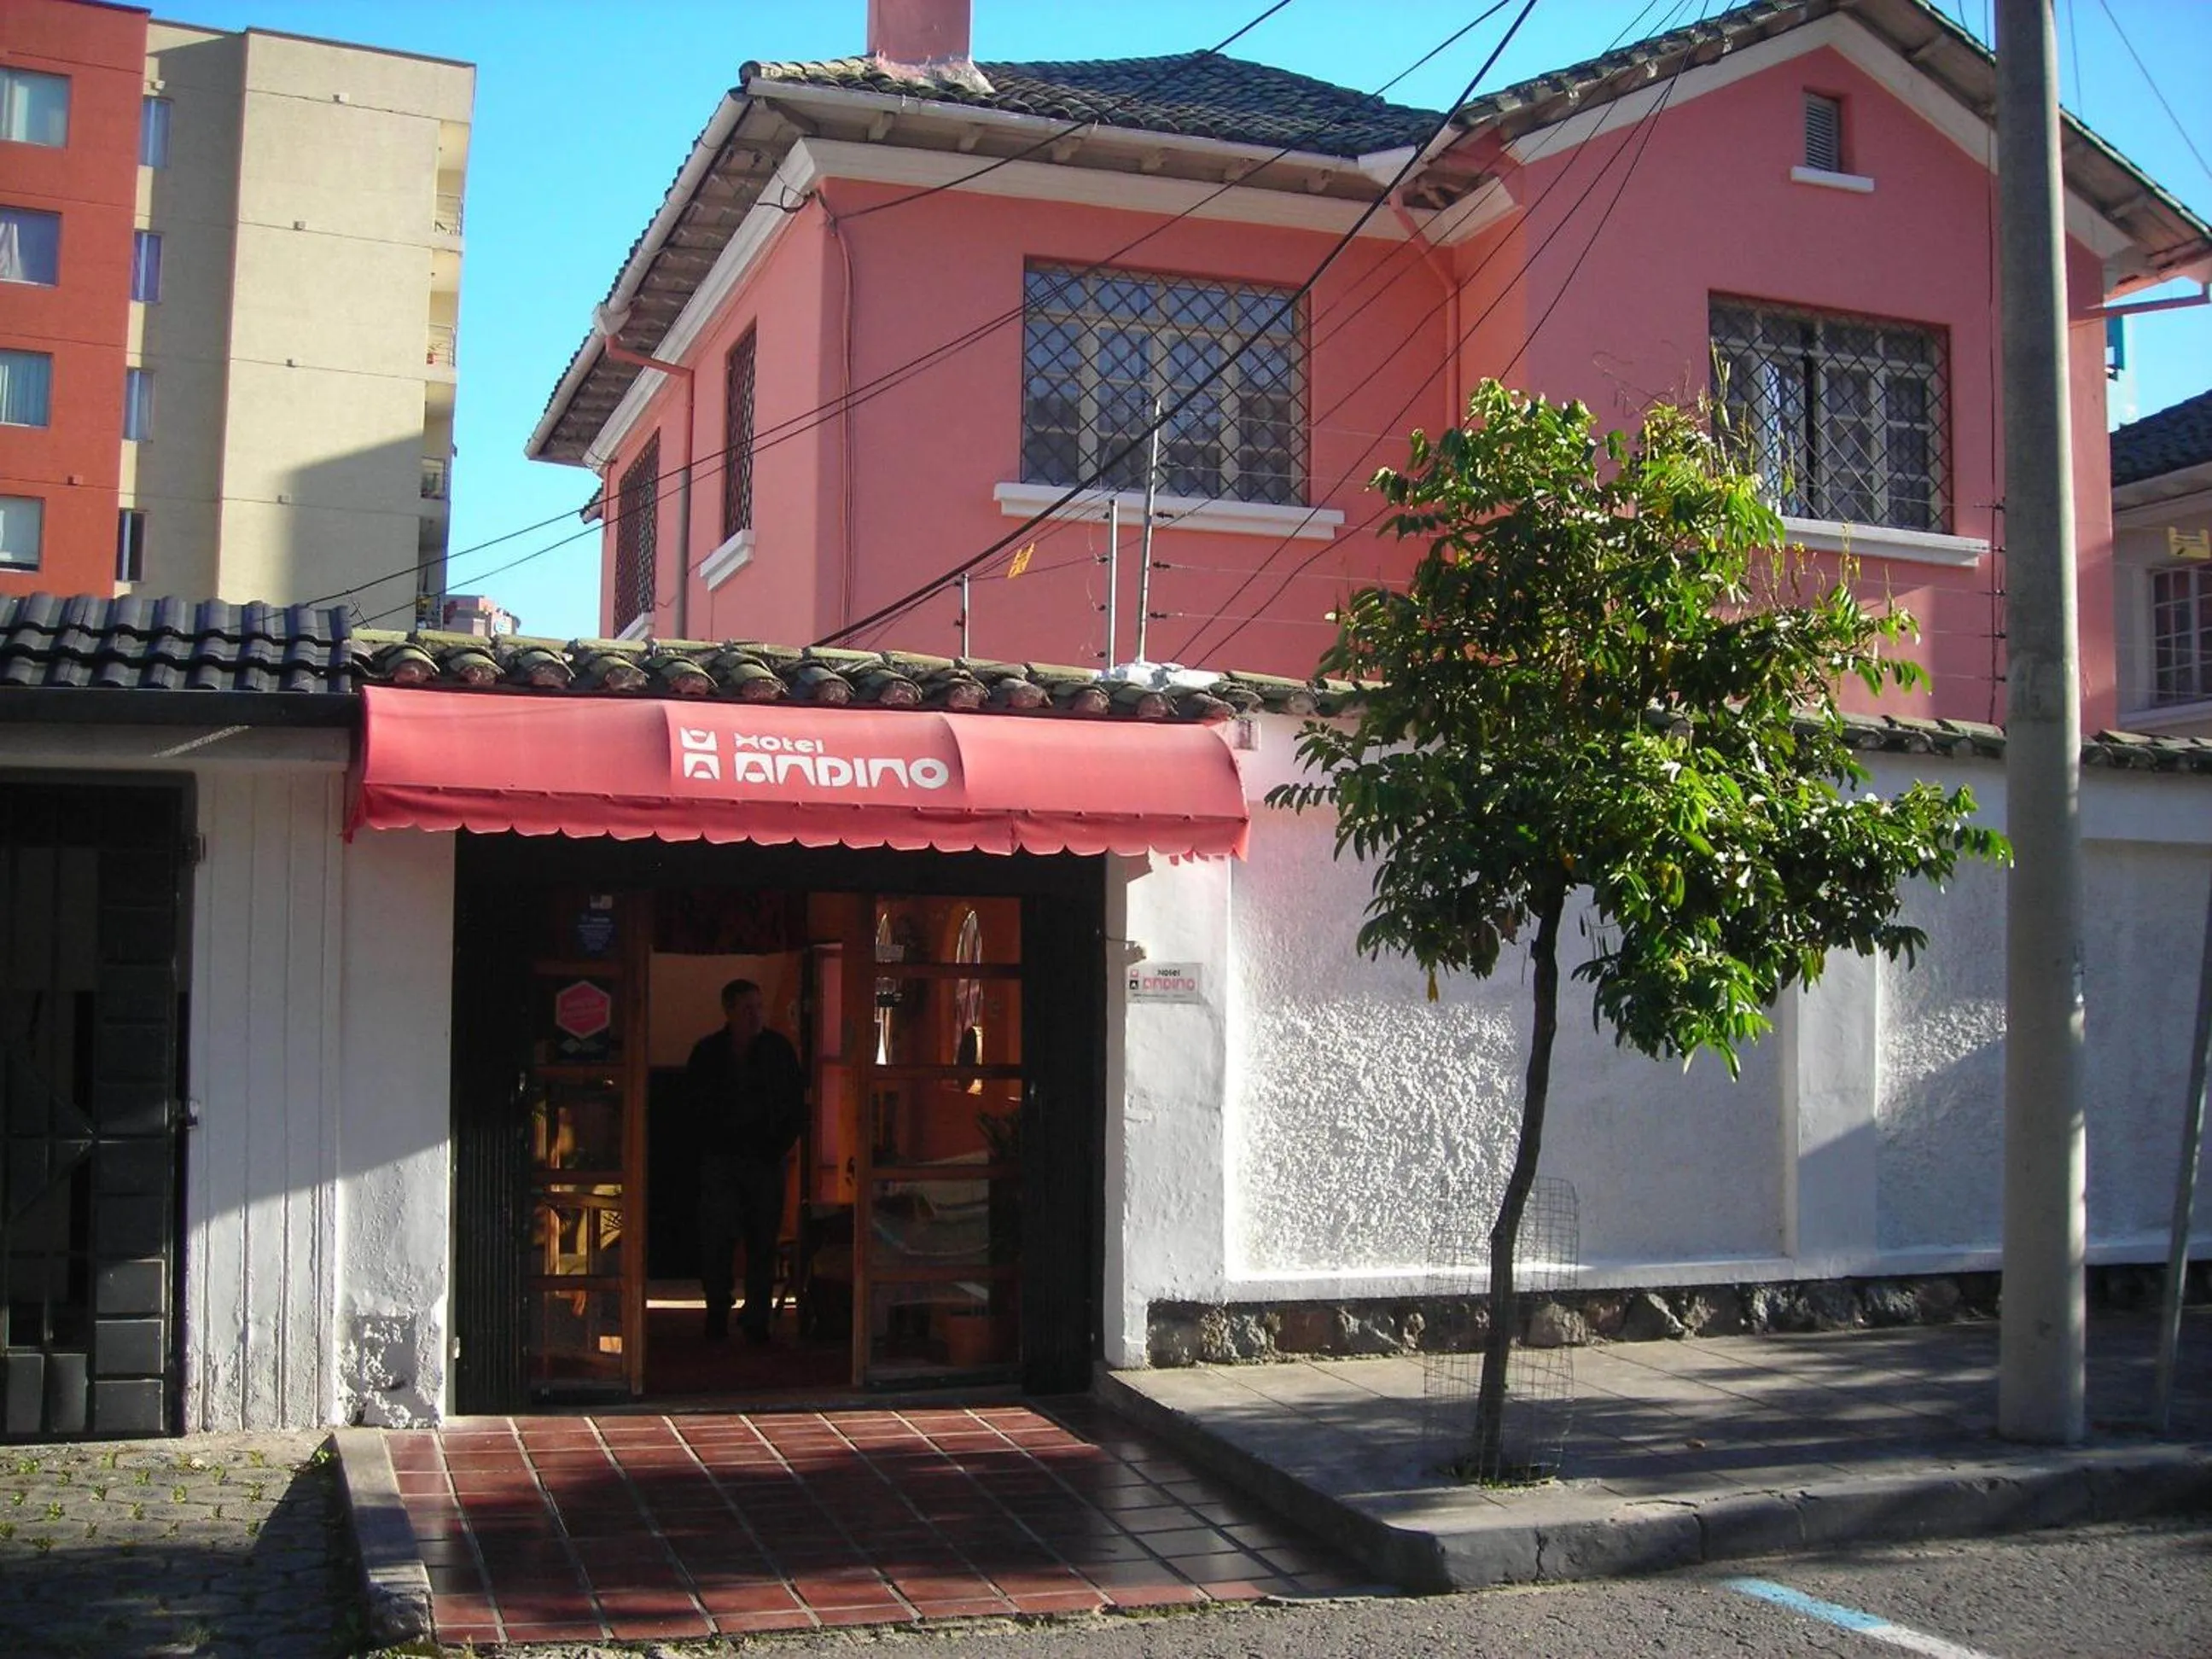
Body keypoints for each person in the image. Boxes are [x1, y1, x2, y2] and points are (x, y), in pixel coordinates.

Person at [685, 979, 805, 1343]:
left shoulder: (778, 1051)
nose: (755, 1015)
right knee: (717, 1238)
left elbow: (794, 1103)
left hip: (765, 1159)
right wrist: (710, 1147)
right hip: (721, 1160)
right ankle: (717, 1310)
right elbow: (693, 1107)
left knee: (762, 1240)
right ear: (730, 1012)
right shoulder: (708, 1053)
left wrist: (779, 1144)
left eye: (759, 1007)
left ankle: (757, 1316)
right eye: (747, 1008)